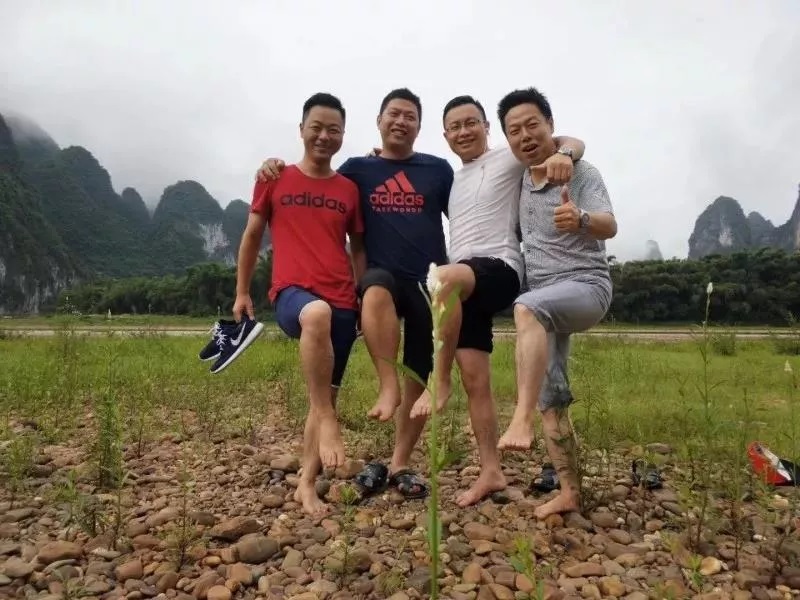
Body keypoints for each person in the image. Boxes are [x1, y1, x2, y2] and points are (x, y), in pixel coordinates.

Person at [256, 88, 452, 500]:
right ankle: (385, 385)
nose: (401, 121)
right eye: (393, 114)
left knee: (418, 374)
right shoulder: (357, 170)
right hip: (380, 278)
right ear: (379, 121)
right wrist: (272, 167)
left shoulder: (438, 170)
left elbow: (464, 213)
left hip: (426, 281)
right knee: (375, 288)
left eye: (410, 116)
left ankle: (400, 462)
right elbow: (318, 176)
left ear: (420, 126)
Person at [407, 94, 586, 506]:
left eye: (472, 122)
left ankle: (438, 381)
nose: (464, 131)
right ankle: (491, 471)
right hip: (464, 288)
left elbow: (569, 141)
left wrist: (564, 154)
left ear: (487, 128)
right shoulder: (454, 179)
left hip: (499, 267)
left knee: (442, 276)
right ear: (446, 136)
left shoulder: (507, 158)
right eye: (455, 126)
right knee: (476, 381)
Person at [234, 92, 366, 517]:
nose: (324, 136)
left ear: (343, 135)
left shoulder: (349, 189)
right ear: (302, 130)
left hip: (343, 299)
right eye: (317, 128)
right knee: (316, 315)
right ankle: (329, 421)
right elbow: (252, 235)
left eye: (334, 130)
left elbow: (358, 249)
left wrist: (363, 295)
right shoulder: (275, 178)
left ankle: (306, 485)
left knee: (324, 393)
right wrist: (242, 292)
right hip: (294, 294)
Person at [496, 87, 617, 519]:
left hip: (586, 286)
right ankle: (570, 492)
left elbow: (610, 225)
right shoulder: (518, 179)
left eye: (533, 125)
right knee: (553, 398)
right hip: (546, 300)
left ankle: (519, 418)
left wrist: (580, 219)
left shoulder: (580, 172)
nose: (525, 136)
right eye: (514, 130)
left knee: (525, 308)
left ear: (550, 124)